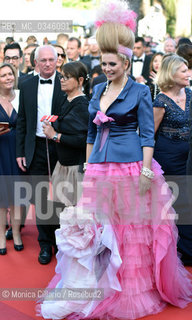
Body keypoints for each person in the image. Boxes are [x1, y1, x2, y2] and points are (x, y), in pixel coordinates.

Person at [38, 1, 192, 319]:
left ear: (124, 61)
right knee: (99, 229)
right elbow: (92, 135)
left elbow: (148, 135)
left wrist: (147, 169)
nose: (107, 69)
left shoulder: (139, 92)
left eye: (112, 64)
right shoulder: (96, 89)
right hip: (100, 167)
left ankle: (133, 289)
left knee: (130, 231)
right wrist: (87, 165)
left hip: (132, 165)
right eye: (104, 64)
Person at [16, 45, 65, 265]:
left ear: (57, 61)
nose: (47, 64)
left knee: (63, 194)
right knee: (41, 195)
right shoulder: (26, 85)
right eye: (42, 60)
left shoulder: (67, 82)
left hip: (60, 144)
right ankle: (45, 243)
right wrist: (20, 152)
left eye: (51, 60)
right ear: (35, 62)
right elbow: (22, 122)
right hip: (35, 145)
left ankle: (62, 240)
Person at [153, 54, 192, 265]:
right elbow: (150, 134)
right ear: (171, 73)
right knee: (178, 201)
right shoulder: (161, 101)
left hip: (189, 153)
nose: (188, 74)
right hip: (168, 155)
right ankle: (184, 250)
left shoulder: (191, 94)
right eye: (183, 70)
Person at [42, 61, 89, 206]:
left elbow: (83, 140)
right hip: (62, 165)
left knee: (73, 216)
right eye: (61, 76)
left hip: (75, 168)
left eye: (67, 77)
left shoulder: (82, 105)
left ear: (80, 80)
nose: (62, 80)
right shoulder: (64, 99)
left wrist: (55, 135)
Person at [0, 63, 23, 255]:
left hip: (18, 152)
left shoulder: (21, 97)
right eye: (3, 75)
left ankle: (15, 233)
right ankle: (1, 236)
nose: (8, 77)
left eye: (10, 74)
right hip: (0, 151)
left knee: (17, 196)